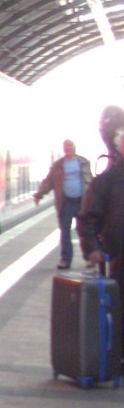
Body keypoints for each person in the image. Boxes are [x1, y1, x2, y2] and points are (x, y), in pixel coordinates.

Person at [76, 106, 124, 363]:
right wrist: (92, 248)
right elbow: (87, 219)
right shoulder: (106, 182)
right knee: (119, 311)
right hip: (118, 259)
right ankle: (117, 357)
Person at [34, 139, 92, 269]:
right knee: (65, 232)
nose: (69, 149)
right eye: (67, 147)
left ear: (75, 147)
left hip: (82, 202)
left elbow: (91, 182)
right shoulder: (58, 165)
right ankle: (66, 259)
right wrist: (39, 194)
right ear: (64, 149)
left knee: (83, 230)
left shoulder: (83, 162)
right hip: (65, 202)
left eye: (71, 146)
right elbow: (49, 182)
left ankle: (88, 257)